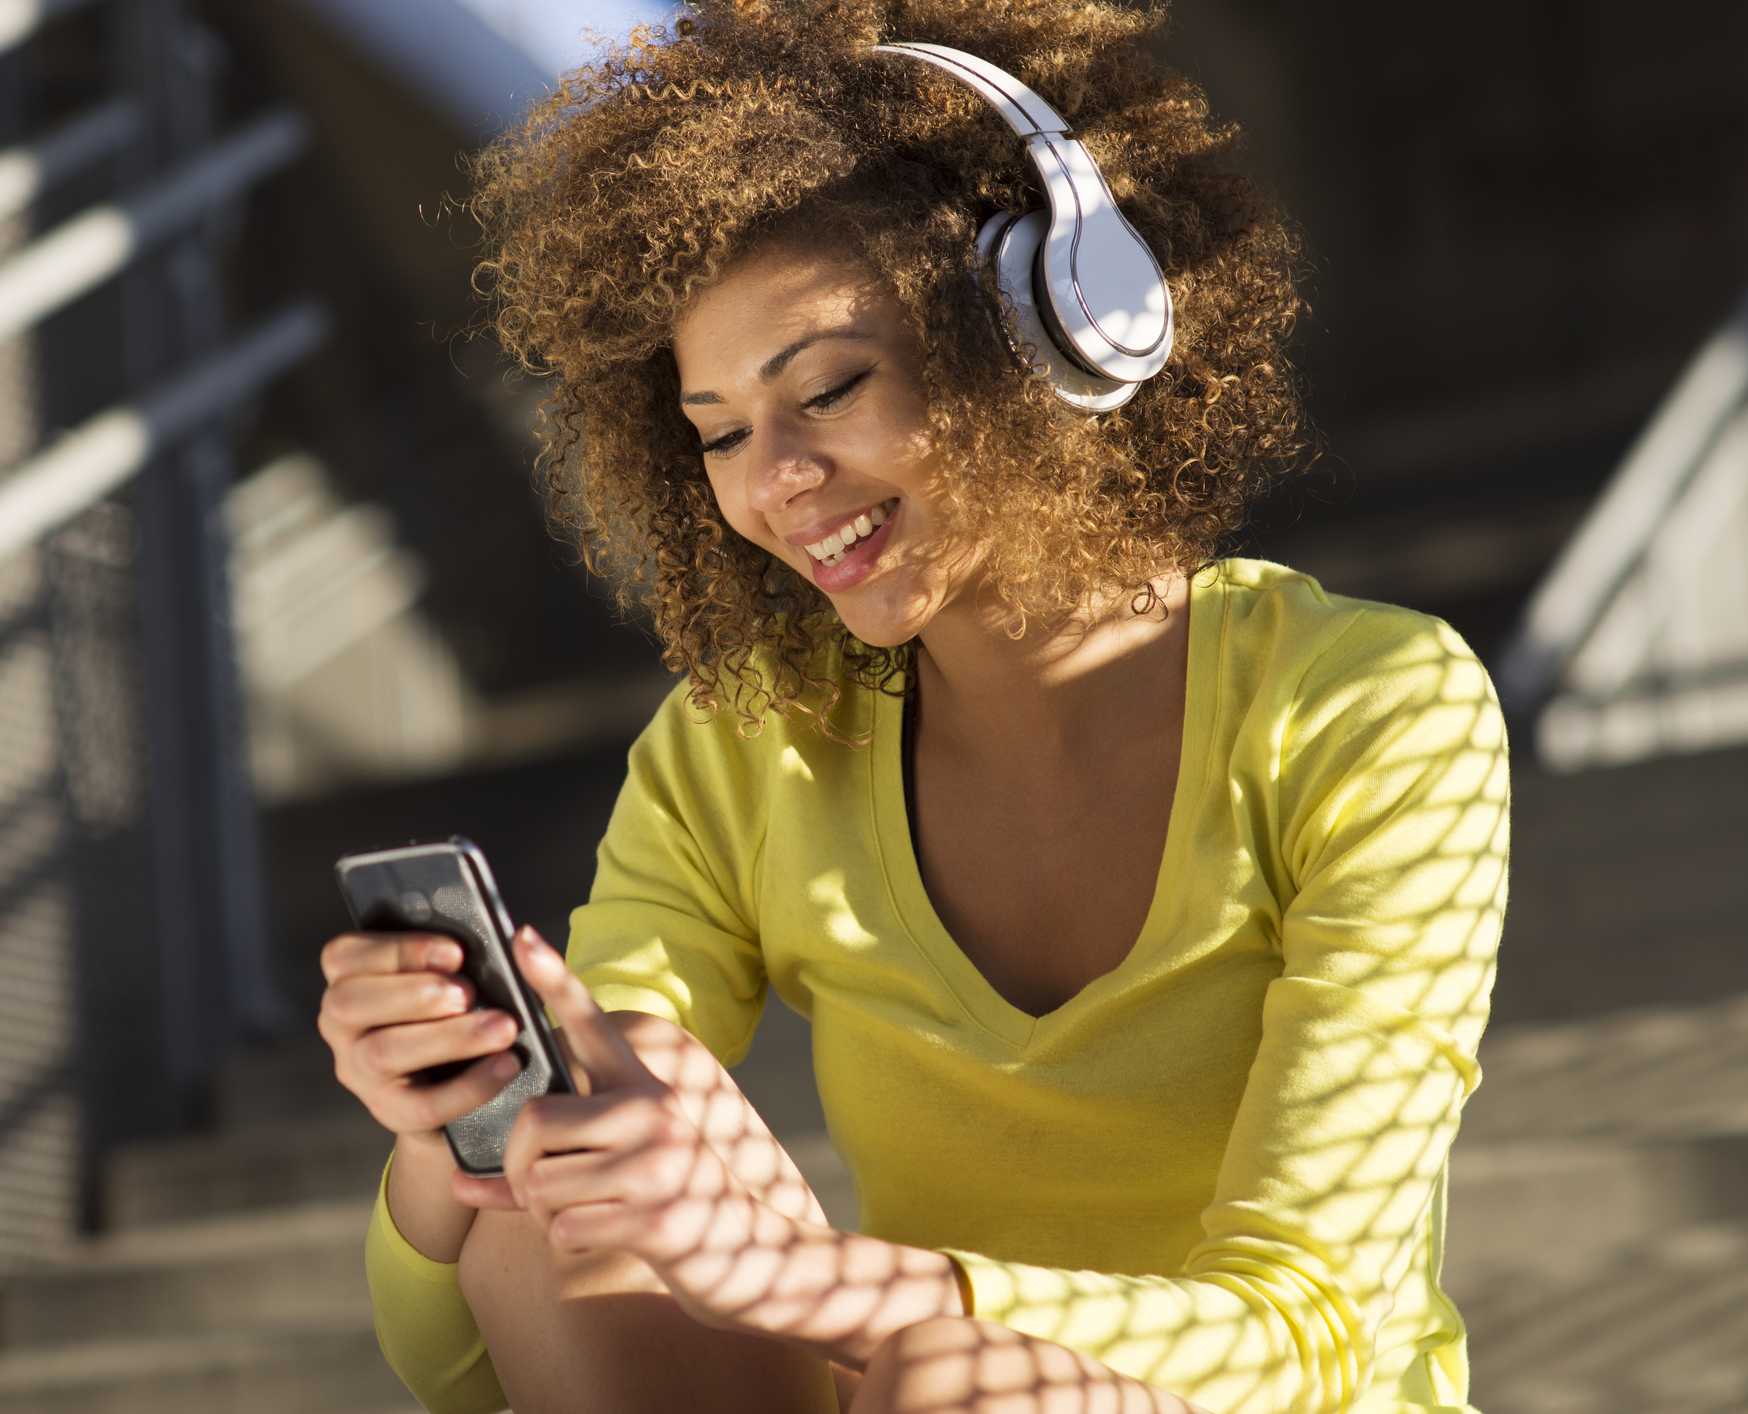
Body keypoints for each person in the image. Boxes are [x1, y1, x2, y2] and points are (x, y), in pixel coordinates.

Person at [317, 3, 1509, 1411]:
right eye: (716, 433)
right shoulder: (742, 745)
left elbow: (1304, 1328)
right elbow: (465, 1354)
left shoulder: (1369, 706)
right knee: (584, 1125)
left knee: (956, 1379)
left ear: (1044, 327)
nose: (773, 482)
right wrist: (445, 1134)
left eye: (824, 389)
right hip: (905, 1380)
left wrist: (810, 1284)